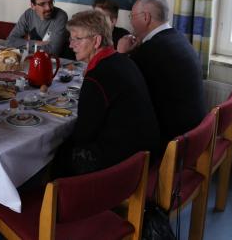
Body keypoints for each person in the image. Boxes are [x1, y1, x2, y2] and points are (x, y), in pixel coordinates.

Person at [54, 10, 160, 176]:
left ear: (96, 41)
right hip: (144, 151)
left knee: (56, 154)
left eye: (77, 39)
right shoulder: (123, 60)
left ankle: (56, 198)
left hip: (126, 164)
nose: (70, 45)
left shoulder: (97, 77)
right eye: (71, 38)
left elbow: (83, 134)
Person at [117, 0, 206, 146]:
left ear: (146, 17)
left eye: (132, 16)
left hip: (172, 138)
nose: (130, 21)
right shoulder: (177, 37)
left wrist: (121, 54)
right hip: (195, 128)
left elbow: (119, 85)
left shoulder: (151, 50)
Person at [6, 0, 70, 56]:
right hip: (33, 58)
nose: (48, 8)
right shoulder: (28, 14)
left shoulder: (61, 16)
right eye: (43, 4)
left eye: (50, 2)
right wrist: (38, 43)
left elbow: (53, 51)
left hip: (56, 63)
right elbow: (10, 41)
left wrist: (25, 43)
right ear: (33, 6)